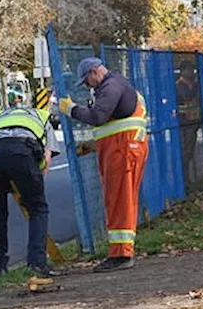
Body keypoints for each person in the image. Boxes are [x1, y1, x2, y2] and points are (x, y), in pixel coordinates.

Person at [58, 56, 149, 272]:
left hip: (123, 150)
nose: (88, 86)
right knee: (119, 199)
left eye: (87, 81)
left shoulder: (110, 87)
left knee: (119, 200)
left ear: (94, 72)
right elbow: (113, 125)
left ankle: (121, 255)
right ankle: (121, 251)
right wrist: (94, 145)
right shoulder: (116, 85)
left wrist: (72, 110)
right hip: (123, 148)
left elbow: (98, 116)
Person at [0, 90, 61, 277]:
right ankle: (37, 263)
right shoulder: (42, 118)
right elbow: (47, 155)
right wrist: (36, 183)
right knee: (38, 208)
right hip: (23, 152)